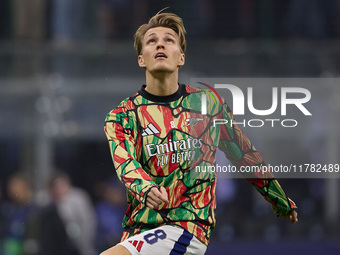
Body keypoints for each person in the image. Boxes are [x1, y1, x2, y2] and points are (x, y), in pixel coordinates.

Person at [102, 10, 298, 255]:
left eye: (169, 40)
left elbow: (243, 153)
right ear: (141, 59)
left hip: (186, 227)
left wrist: (278, 199)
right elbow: (125, 162)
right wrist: (145, 188)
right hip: (137, 231)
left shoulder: (207, 105)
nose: (160, 43)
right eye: (152, 40)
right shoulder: (121, 115)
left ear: (181, 57)